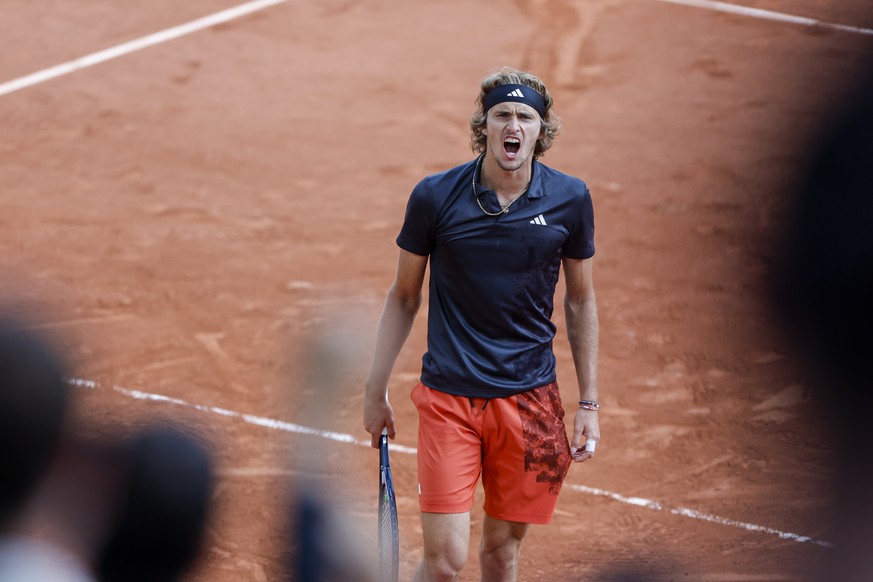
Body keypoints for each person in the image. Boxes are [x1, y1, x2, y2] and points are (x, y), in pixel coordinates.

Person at [363, 66, 600, 581]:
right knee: (445, 562)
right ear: (485, 125)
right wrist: (374, 389)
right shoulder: (435, 196)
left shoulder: (570, 199)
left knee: (500, 556)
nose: (513, 125)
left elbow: (580, 302)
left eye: (525, 117)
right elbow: (404, 297)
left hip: (532, 404)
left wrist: (588, 403)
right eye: (502, 115)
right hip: (451, 398)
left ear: (542, 130)